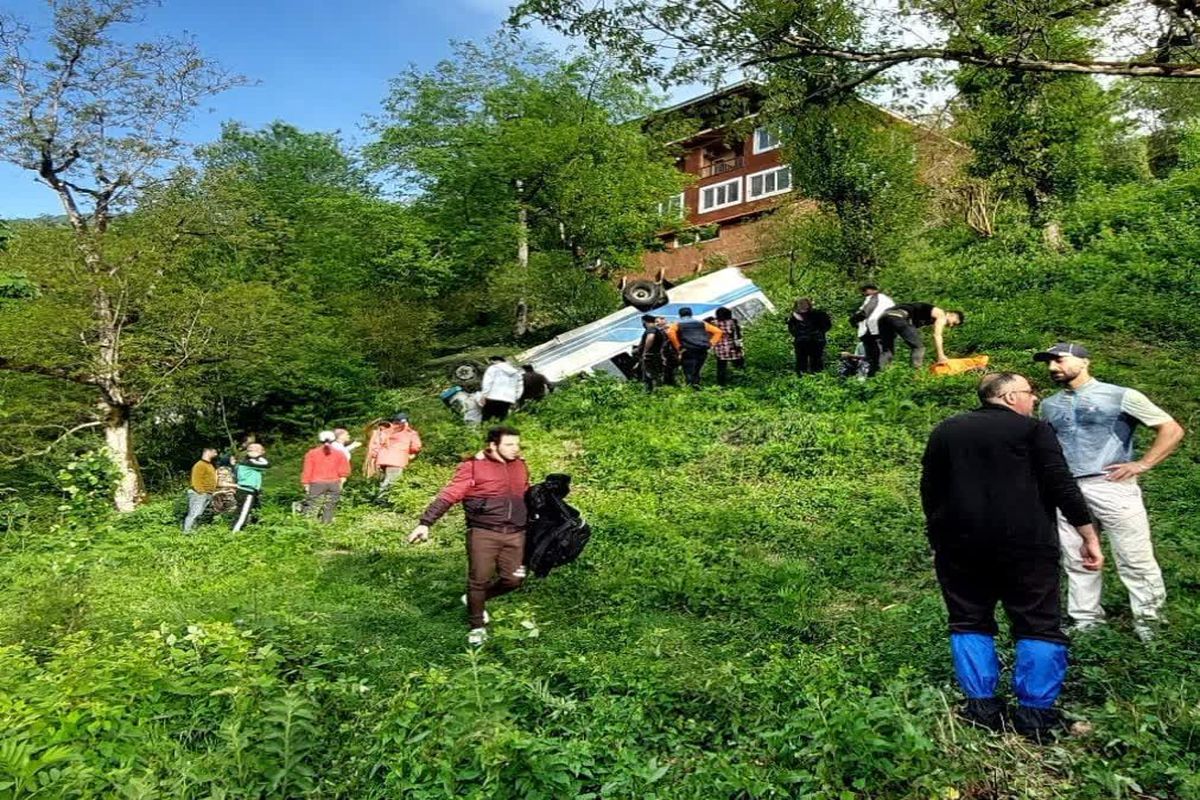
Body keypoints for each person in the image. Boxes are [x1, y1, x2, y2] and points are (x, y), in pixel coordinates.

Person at [921, 372, 1103, 740]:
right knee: (1038, 621)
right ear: (1007, 397)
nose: (1034, 399)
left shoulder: (947, 429)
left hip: (959, 544)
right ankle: (1035, 715)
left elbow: (930, 489)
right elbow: (1060, 483)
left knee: (968, 619)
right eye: (1028, 393)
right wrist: (1088, 533)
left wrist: (938, 533)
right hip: (1026, 543)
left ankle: (981, 708)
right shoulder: (1034, 431)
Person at [1035, 343, 1186, 640]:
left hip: (1111, 484)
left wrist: (1143, 464)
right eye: (1049, 363)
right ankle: (1086, 622)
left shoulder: (1120, 395)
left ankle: (1151, 624)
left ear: (1084, 361)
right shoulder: (1049, 405)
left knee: (1134, 555)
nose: (1053, 367)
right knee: (1077, 558)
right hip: (1067, 488)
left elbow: (1171, 428)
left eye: (1059, 360)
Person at [408, 426, 531, 646]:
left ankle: (475, 600)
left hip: (515, 533)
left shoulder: (520, 465)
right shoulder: (473, 467)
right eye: (509, 444)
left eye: (517, 444)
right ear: (493, 445)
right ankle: (477, 627)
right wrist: (425, 523)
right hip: (483, 533)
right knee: (479, 580)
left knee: (514, 580)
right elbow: (450, 494)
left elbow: (525, 494)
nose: (516, 449)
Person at [878, 302, 963, 369]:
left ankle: (880, 375)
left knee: (887, 351)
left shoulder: (928, 316)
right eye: (954, 323)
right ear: (950, 314)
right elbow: (937, 335)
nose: (951, 326)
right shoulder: (942, 315)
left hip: (883, 317)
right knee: (919, 347)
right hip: (897, 316)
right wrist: (941, 356)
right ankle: (915, 376)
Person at [300, 431, 352, 524]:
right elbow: (344, 471)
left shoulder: (311, 453)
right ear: (333, 440)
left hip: (316, 483)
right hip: (334, 483)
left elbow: (307, 470)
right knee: (330, 506)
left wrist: (305, 484)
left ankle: (309, 527)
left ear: (320, 440)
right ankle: (326, 526)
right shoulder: (340, 453)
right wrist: (342, 482)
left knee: (313, 506)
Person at [366, 414, 423, 498]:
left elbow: (376, 445)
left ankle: (381, 498)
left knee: (385, 479)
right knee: (391, 481)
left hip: (381, 461)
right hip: (397, 461)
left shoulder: (384, 431)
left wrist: (374, 458)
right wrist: (410, 453)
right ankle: (381, 500)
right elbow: (416, 447)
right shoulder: (410, 432)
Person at [666, 307, 723, 389]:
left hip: (688, 350)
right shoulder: (702, 323)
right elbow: (718, 332)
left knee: (689, 371)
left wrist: (678, 346)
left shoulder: (677, 324)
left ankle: (691, 389)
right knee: (697, 370)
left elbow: (670, 333)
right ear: (691, 314)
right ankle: (697, 387)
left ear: (680, 315)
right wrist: (711, 343)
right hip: (702, 349)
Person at [850, 284, 894, 376]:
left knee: (874, 357)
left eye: (864, 291)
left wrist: (853, 319)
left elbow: (865, 312)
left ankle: (876, 376)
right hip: (887, 330)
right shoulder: (888, 300)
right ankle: (885, 375)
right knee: (886, 353)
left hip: (873, 332)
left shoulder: (875, 297)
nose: (864, 294)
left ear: (870, 290)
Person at [788, 298, 833, 375]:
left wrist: (819, 333)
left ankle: (818, 376)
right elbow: (791, 329)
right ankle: (801, 377)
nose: (802, 305)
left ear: (808, 304)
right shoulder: (793, 316)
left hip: (816, 340)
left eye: (804, 303)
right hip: (801, 341)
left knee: (816, 360)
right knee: (801, 361)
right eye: (800, 304)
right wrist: (799, 334)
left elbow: (827, 325)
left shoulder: (818, 314)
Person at [231, 443, 270, 533]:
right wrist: (258, 456)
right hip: (247, 491)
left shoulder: (248, 462)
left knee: (255, 512)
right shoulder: (249, 462)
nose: (262, 452)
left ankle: (254, 530)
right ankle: (234, 533)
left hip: (250, 491)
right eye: (260, 450)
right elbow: (267, 465)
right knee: (243, 513)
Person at [183, 447, 219, 533]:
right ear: (208, 452)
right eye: (214, 452)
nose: (216, 454)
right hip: (199, 493)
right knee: (194, 513)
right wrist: (201, 492)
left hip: (208, 493)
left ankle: (193, 530)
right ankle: (187, 532)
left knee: (199, 513)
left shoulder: (209, 465)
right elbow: (195, 480)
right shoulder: (199, 465)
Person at [480, 355, 524, 420]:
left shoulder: (493, 368)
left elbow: (487, 383)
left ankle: (484, 429)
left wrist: (484, 395)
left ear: (493, 361)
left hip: (493, 397)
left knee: (487, 418)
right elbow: (519, 387)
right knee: (501, 419)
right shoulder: (516, 372)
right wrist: (515, 398)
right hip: (508, 398)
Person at [710, 307, 745, 386]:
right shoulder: (733, 322)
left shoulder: (713, 323)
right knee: (739, 364)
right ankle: (742, 380)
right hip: (732, 347)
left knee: (721, 367)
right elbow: (737, 335)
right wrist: (740, 346)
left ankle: (721, 384)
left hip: (719, 348)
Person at [636, 314, 665, 392]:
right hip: (655, 355)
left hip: (650, 356)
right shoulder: (657, 329)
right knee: (653, 376)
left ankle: (653, 393)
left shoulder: (651, 329)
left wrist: (645, 351)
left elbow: (650, 338)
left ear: (644, 321)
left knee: (650, 376)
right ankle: (654, 392)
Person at [656, 316, 680, 387]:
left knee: (674, 369)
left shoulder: (670, 328)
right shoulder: (660, 331)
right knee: (669, 370)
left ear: (663, 320)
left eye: (657, 321)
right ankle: (670, 385)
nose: (656, 324)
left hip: (673, 352)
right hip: (668, 353)